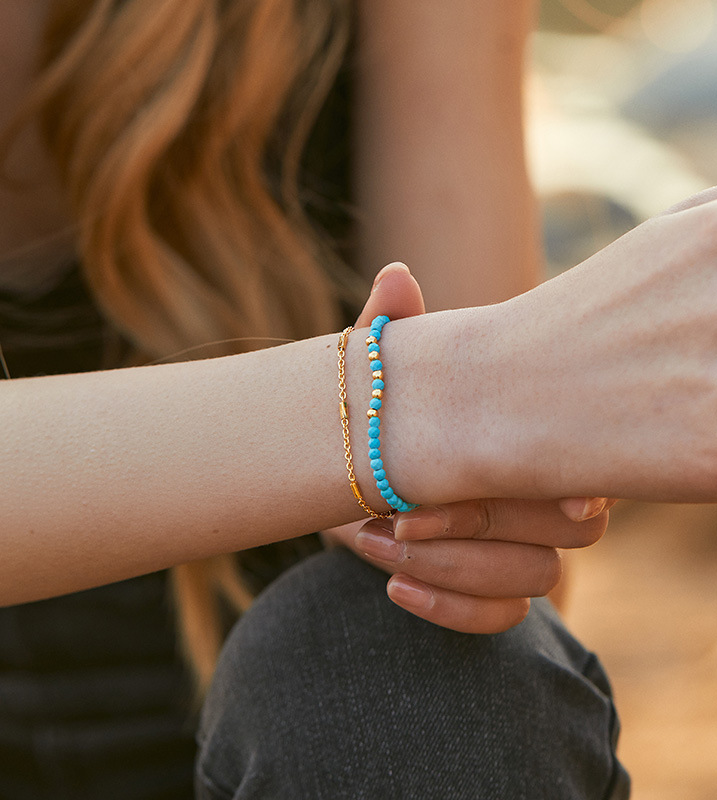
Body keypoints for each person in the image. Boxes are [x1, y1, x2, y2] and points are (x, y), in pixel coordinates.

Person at [0, 2, 625, 798]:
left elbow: (494, 554)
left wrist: (465, 475)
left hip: (294, 747)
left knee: (418, 667)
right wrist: (380, 416)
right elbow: (458, 407)